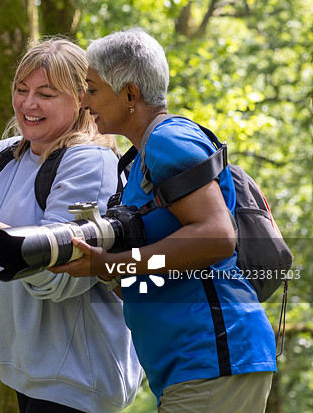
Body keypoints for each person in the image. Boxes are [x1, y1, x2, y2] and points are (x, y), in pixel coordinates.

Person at [51, 28, 276, 412]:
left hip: (213, 356)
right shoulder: (138, 161)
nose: (84, 101)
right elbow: (158, 268)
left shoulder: (168, 140)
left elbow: (217, 237)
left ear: (130, 94)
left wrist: (111, 263)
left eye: (92, 88)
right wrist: (107, 270)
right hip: (191, 365)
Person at [0, 38, 141, 413]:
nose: (28, 104)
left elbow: (61, 278)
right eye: (21, 90)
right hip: (23, 371)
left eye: (46, 93)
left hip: (79, 379)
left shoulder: (91, 162)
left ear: (81, 98)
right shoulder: (3, 156)